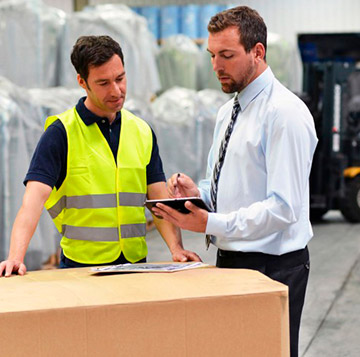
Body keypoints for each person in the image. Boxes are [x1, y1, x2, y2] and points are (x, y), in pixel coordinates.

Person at [152, 6, 317, 357]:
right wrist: (200, 194)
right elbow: (235, 184)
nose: (216, 66)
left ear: (258, 52)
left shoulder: (284, 114)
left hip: (274, 267)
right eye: (212, 55)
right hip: (232, 259)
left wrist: (211, 222)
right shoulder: (229, 110)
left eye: (226, 55)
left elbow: (284, 207)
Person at [0, 35, 200, 277]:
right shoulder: (61, 133)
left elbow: (157, 197)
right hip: (81, 267)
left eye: (120, 78)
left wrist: (176, 247)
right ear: (82, 82)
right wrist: (15, 257)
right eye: (103, 83)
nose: (116, 91)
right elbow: (32, 202)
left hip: (136, 264)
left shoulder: (142, 131)